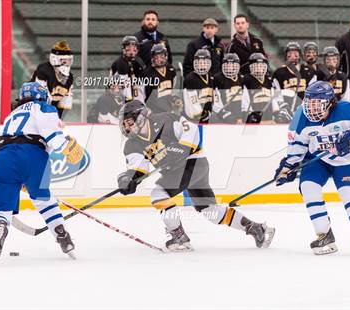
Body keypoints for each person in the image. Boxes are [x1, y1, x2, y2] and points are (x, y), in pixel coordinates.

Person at [116, 100, 275, 251]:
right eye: (124, 124)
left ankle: (179, 238)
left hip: (193, 163)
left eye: (129, 122)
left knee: (159, 194)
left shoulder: (165, 119)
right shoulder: (132, 145)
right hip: (177, 171)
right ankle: (256, 228)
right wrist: (128, 180)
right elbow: (138, 168)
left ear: (141, 116)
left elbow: (190, 130)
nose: (127, 127)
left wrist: (181, 148)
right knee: (210, 211)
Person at [274, 81, 350, 256]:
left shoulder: (349, 111)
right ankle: (324, 234)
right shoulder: (301, 117)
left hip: (345, 160)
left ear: (330, 102)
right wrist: (288, 166)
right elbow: (297, 145)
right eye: (310, 103)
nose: (312, 109)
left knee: (349, 194)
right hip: (317, 160)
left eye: (317, 104)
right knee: (308, 187)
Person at [0, 82, 84, 262]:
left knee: (0, 206)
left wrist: (19, 175)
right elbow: (53, 135)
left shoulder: (11, 115)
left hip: (3, 157)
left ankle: (0, 224)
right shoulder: (43, 107)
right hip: (34, 155)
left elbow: (8, 139)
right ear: (41, 95)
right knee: (43, 200)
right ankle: (61, 234)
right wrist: (66, 147)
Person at [31, 40, 74, 119]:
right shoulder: (44, 71)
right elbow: (39, 99)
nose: (67, 64)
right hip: (35, 112)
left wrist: (57, 120)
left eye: (69, 61)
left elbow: (65, 103)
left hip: (51, 113)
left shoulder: (69, 77)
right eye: (64, 61)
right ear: (55, 59)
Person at [242, 53, 286, 123]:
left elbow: (274, 99)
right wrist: (250, 114)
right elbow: (245, 100)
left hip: (269, 118)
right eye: (256, 66)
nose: (259, 68)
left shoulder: (269, 80)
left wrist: (277, 112)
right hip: (255, 118)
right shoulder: (247, 79)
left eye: (261, 66)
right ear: (251, 67)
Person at [183, 49, 224, 124]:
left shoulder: (211, 77)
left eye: (204, 62)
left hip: (208, 115)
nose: (201, 65)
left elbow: (216, 96)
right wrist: (203, 114)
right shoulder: (190, 78)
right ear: (195, 63)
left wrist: (220, 111)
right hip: (194, 119)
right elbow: (192, 102)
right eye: (199, 63)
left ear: (209, 63)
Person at [142, 44, 177, 114]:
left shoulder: (171, 69)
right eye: (156, 57)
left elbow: (172, 88)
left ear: (166, 56)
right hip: (153, 111)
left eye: (161, 56)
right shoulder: (147, 73)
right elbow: (144, 95)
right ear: (152, 58)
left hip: (168, 109)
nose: (159, 59)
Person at [273, 42, 307, 111]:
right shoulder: (279, 72)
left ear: (299, 55)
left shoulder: (307, 71)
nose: (292, 57)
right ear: (286, 56)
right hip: (286, 110)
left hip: (304, 109)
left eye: (295, 54)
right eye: (289, 54)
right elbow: (276, 92)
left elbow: (311, 90)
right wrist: (282, 106)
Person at [111, 36, 146, 103]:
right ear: (123, 49)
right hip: (122, 93)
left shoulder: (138, 60)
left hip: (135, 92)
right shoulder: (120, 63)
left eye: (134, 47)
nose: (131, 51)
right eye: (128, 47)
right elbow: (122, 85)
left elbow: (143, 79)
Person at [214, 53, 244, 123]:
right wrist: (227, 115)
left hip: (241, 115)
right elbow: (216, 103)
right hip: (226, 114)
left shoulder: (242, 78)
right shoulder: (217, 79)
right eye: (228, 65)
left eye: (232, 65)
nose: (230, 67)